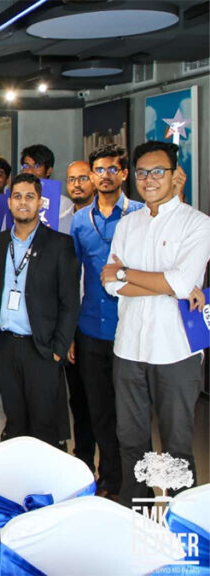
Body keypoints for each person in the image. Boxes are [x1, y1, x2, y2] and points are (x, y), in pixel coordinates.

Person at [101, 141, 210, 505]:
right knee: (131, 441)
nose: (149, 179)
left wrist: (127, 273)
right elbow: (110, 284)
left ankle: (180, 521)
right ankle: (137, 513)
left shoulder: (197, 224)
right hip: (129, 347)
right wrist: (164, 284)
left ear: (175, 175)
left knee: (177, 446)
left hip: (176, 350)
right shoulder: (127, 224)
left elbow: (179, 283)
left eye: (158, 172)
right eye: (143, 173)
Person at [0, 173, 80, 447]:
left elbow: (70, 302)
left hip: (41, 348)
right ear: (9, 202)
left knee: (44, 425)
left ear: (40, 202)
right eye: (17, 196)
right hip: (4, 345)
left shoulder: (59, 244)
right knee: (15, 420)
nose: (23, 202)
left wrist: (59, 349)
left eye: (29, 196)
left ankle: (44, 473)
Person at [69, 145, 142, 500]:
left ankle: (136, 484)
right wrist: (69, 331)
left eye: (113, 169)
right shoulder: (81, 220)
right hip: (90, 329)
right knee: (98, 412)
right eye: (99, 170)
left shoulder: (141, 214)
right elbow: (74, 278)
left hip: (132, 329)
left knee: (131, 414)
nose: (105, 176)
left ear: (124, 174)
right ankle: (110, 480)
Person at [62, 159, 98, 471]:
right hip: (70, 318)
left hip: (102, 319)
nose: (77, 184)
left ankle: (112, 473)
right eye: (72, 179)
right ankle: (83, 461)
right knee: (78, 398)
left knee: (103, 398)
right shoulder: (62, 218)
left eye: (83, 178)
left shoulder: (119, 218)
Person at [20, 144, 73, 233]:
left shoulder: (62, 203)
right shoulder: (17, 201)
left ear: (48, 171)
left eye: (37, 166)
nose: (30, 171)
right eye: (26, 166)